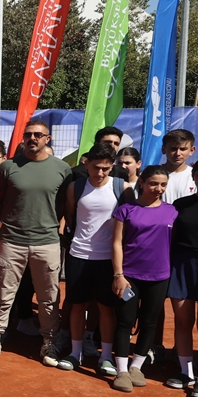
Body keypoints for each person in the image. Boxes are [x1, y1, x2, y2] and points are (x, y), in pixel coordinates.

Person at [0, 119, 70, 365]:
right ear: (23, 138)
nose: (33, 138)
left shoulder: (62, 169)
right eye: (29, 134)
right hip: (12, 241)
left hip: (48, 242)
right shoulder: (7, 167)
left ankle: (49, 343)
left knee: (49, 295)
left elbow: (62, 203)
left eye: (38, 135)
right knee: (4, 293)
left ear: (47, 139)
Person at [109, 165, 177, 393]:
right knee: (125, 321)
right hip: (129, 277)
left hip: (159, 276)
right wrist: (118, 275)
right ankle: (121, 370)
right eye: (153, 183)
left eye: (163, 185)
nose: (158, 188)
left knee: (150, 322)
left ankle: (136, 366)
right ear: (142, 183)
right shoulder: (125, 210)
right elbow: (116, 243)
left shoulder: (172, 212)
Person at [60, 144, 126, 373]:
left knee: (106, 308)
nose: (100, 173)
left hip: (108, 260)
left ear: (112, 166)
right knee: (77, 306)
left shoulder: (122, 188)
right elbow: (70, 218)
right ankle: (75, 352)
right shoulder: (75, 187)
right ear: (86, 163)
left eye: (106, 169)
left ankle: (105, 357)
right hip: (79, 255)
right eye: (96, 168)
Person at [167, 157, 198, 396]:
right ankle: (185, 372)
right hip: (181, 265)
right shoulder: (180, 205)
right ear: (194, 178)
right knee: (183, 321)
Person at [161, 129, 197, 203]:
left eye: (183, 149)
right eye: (173, 149)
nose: (178, 153)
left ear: (191, 150)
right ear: (164, 149)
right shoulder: (150, 175)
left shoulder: (197, 177)